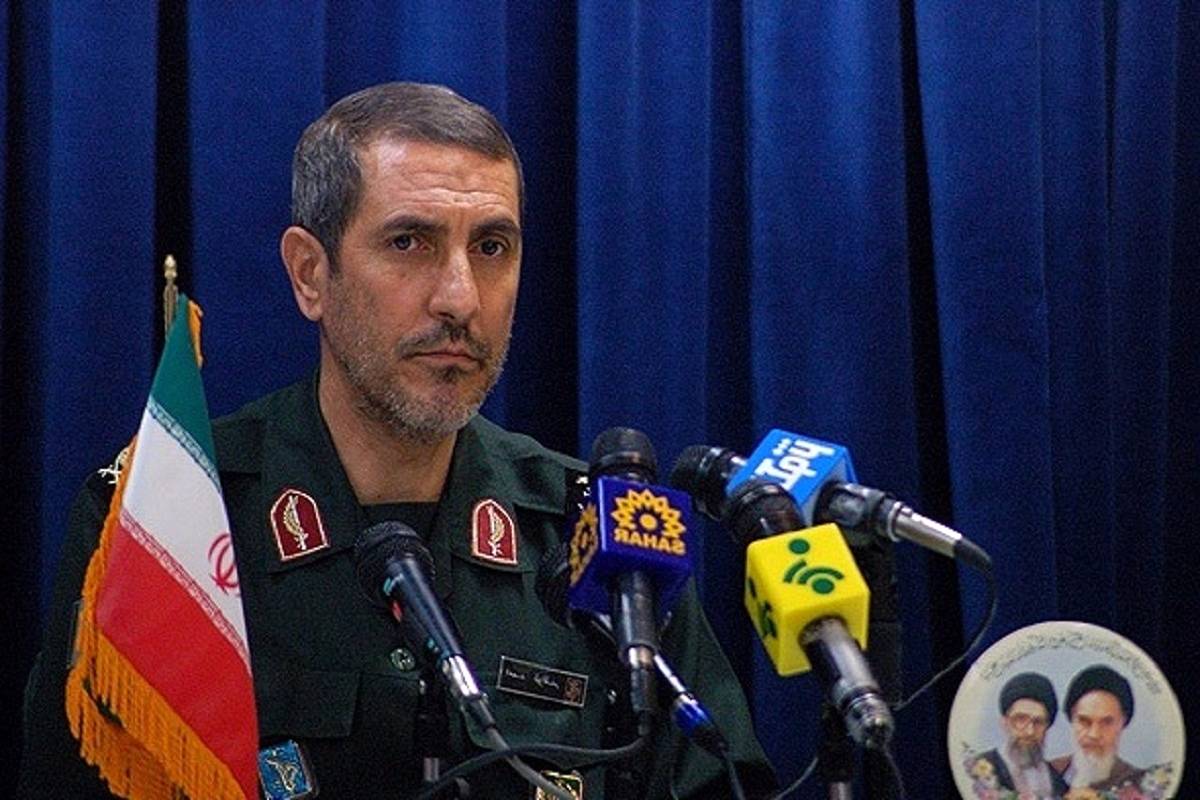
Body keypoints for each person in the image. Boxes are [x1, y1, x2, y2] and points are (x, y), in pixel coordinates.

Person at [18, 82, 776, 799]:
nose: (460, 299)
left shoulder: (595, 533)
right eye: (410, 242)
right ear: (310, 275)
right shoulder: (177, 520)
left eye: (492, 247)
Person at [966, 672, 1069, 798]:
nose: (1030, 731)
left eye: (1038, 722)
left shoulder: (1059, 783)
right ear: (1004, 722)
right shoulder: (977, 769)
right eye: (1020, 719)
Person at [1050, 664, 1144, 794]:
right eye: (1084, 721)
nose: (1094, 734)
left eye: (1106, 723)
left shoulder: (1140, 786)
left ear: (1123, 723)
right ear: (1072, 719)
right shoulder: (1048, 773)